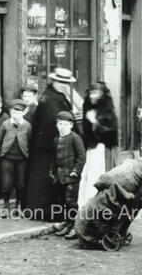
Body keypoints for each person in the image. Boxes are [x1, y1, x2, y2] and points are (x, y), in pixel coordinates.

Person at [24, 68, 77, 220]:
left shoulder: (53, 96)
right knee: (47, 180)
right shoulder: (50, 99)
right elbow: (53, 122)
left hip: (47, 145)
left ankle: (48, 210)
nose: (65, 85)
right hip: (48, 146)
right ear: (55, 82)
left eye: (66, 83)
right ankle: (47, 212)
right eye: (62, 82)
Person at [77, 81, 119, 208]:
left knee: (99, 176)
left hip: (103, 149)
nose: (92, 96)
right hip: (92, 149)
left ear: (102, 94)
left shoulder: (108, 110)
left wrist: (95, 122)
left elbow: (110, 132)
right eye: (91, 93)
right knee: (89, 177)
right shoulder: (88, 107)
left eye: (96, 93)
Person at [49, 110, 86, 239]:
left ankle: (75, 227)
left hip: (71, 177)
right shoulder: (56, 139)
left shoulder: (75, 138)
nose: (62, 127)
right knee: (64, 201)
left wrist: (76, 171)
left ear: (71, 125)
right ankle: (67, 223)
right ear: (56, 125)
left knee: (71, 202)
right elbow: (55, 158)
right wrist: (52, 171)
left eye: (65, 124)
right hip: (60, 176)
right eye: (60, 124)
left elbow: (81, 156)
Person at [0, 99, 31, 216]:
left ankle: (18, 205)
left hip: (22, 158)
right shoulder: (5, 124)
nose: (16, 115)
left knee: (21, 183)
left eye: (18, 112)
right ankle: (6, 206)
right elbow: (0, 138)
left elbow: (29, 139)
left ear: (23, 113)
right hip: (7, 157)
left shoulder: (27, 125)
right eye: (13, 112)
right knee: (6, 182)